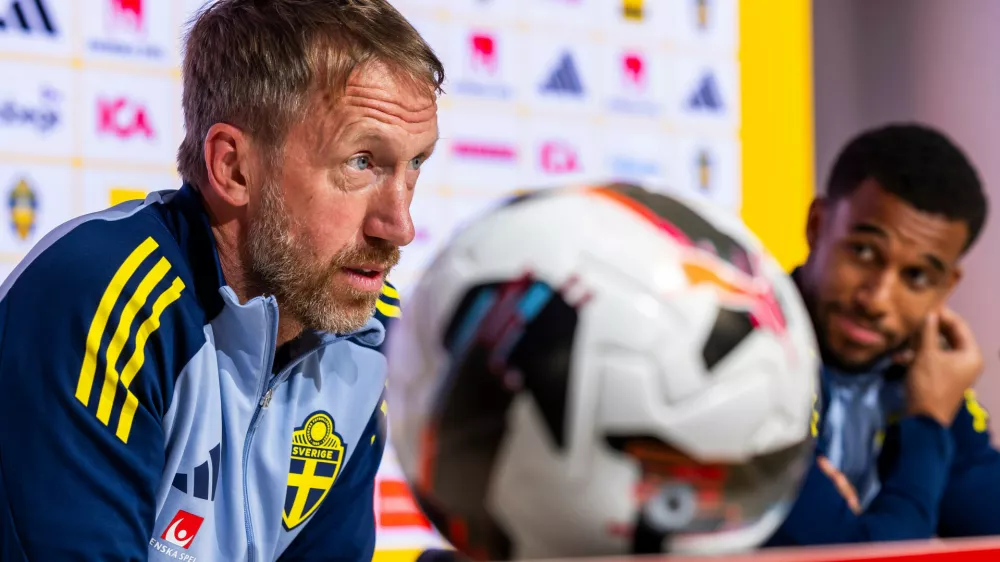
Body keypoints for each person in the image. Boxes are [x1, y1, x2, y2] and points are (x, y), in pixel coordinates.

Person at [0, 1, 441, 560]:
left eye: (416, 164)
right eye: (360, 162)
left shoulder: (367, 332)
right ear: (233, 168)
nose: (399, 226)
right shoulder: (99, 298)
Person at [765, 123, 997, 546]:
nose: (877, 299)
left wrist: (933, 411)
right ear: (818, 226)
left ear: (946, 287)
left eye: (917, 276)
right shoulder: (754, 356)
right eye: (864, 252)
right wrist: (926, 425)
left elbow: (987, 518)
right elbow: (862, 555)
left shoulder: (921, 372)